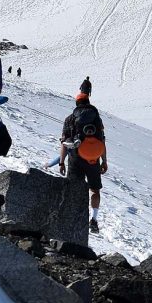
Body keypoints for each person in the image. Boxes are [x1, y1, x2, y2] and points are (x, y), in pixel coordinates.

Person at [62, 87, 107, 233]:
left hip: (75, 157)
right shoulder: (96, 119)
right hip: (93, 158)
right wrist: (104, 161)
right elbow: (102, 141)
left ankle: (72, 216)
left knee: (75, 188)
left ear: (76, 104)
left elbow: (64, 142)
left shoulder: (69, 119)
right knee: (94, 190)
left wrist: (62, 161)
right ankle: (93, 219)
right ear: (88, 102)